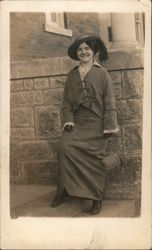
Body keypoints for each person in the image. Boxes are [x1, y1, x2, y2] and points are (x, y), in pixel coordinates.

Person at [51, 34, 119, 215]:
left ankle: (96, 198)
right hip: (78, 123)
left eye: (87, 49)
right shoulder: (72, 75)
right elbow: (66, 102)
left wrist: (108, 127)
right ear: (77, 53)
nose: (83, 52)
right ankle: (63, 192)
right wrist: (69, 121)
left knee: (96, 157)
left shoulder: (102, 73)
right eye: (80, 49)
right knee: (64, 148)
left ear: (93, 52)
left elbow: (109, 102)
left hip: (97, 125)